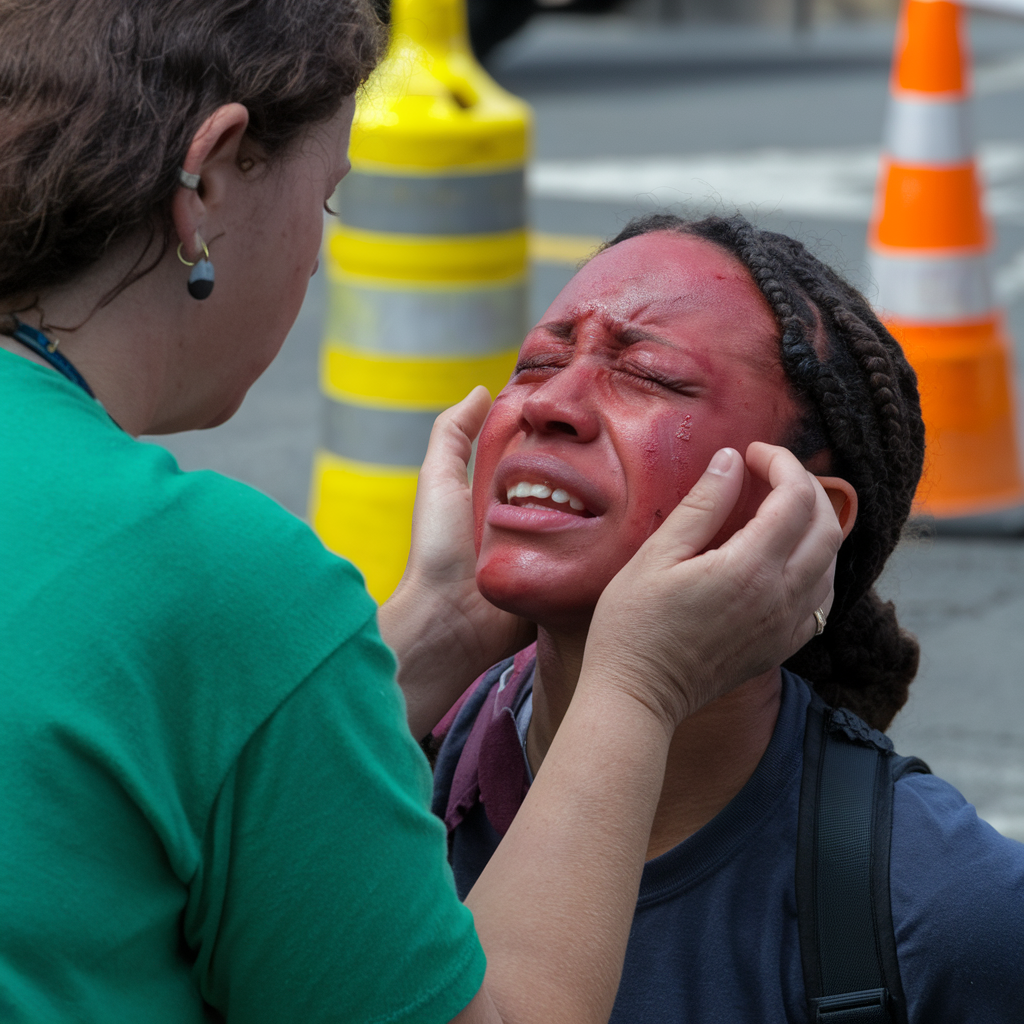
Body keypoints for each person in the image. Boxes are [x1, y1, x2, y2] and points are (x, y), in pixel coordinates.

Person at [0, 4, 842, 1023]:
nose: (549, 404)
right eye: (330, 198)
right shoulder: (216, 580)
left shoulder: (935, 901)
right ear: (206, 179)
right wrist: (639, 681)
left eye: (649, 375)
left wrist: (430, 631)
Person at [431, 214, 1024, 1022]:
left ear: (799, 515)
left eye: (649, 376)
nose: (552, 405)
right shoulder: (383, 771)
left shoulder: (947, 913)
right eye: (538, 361)